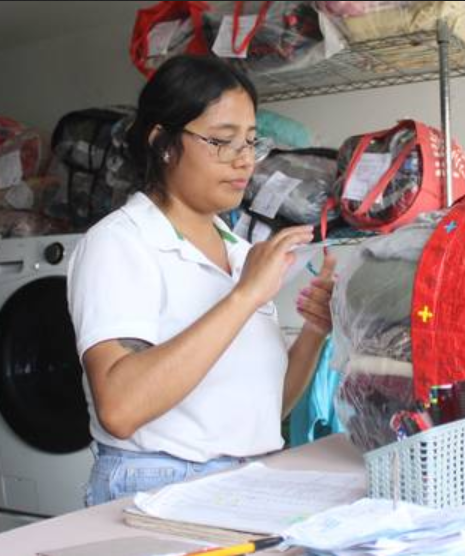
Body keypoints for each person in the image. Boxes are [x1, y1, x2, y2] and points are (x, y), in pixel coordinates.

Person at [66, 54, 335, 506]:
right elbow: (120, 408)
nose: (243, 161)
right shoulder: (119, 243)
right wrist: (245, 296)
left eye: (251, 142)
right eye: (222, 141)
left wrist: (313, 331)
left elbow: (262, 413)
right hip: (158, 488)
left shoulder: (238, 251)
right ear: (164, 143)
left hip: (245, 481)